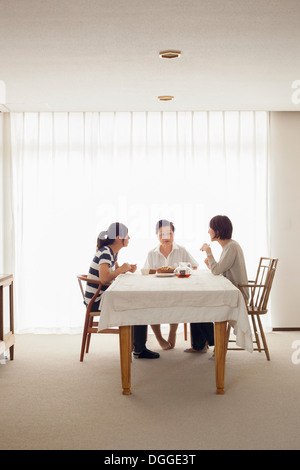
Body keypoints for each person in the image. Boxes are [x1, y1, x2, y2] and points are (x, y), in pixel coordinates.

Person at [85, 222, 160, 359]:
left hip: (102, 296)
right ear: (119, 237)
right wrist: (121, 269)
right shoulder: (106, 253)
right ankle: (139, 349)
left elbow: (115, 272)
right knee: (139, 306)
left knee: (138, 302)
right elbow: (104, 278)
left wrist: (127, 268)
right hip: (97, 301)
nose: (129, 238)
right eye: (127, 235)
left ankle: (137, 346)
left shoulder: (111, 252)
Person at [185, 215, 249, 354]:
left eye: (211, 228)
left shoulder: (231, 247)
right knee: (197, 303)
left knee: (200, 304)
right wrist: (212, 265)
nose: (208, 231)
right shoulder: (229, 247)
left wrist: (209, 252)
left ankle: (212, 345)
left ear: (218, 230)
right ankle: (202, 344)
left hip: (238, 295)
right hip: (232, 291)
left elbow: (217, 270)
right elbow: (219, 270)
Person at [144, 219, 199, 350]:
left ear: (174, 234)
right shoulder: (151, 253)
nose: (166, 237)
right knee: (149, 303)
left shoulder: (181, 250)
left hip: (177, 289)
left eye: (169, 233)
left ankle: (172, 332)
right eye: (162, 234)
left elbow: (195, 266)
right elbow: (146, 272)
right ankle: (159, 337)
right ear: (157, 235)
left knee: (176, 300)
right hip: (156, 290)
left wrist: (183, 270)